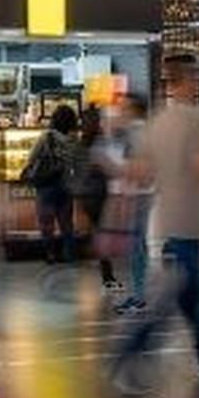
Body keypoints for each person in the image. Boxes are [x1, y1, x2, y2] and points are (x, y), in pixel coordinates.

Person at [110, 56, 199, 393]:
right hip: (191, 226)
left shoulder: (156, 121)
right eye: (197, 78)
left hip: (164, 226)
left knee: (194, 298)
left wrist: (122, 210)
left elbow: (137, 173)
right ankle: (127, 353)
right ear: (188, 80)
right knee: (172, 300)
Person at [111, 94, 153, 316]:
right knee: (139, 245)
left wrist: (124, 198)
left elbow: (132, 169)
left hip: (137, 195)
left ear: (133, 110)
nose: (120, 111)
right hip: (146, 193)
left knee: (136, 246)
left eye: (124, 108)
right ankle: (139, 293)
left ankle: (139, 297)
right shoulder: (148, 131)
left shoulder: (133, 133)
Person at [23, 105, 79, 265]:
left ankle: (50, 254)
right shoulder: (73, 138)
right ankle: (70, 255)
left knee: (46, 223)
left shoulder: (46, 137)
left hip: (46, 185)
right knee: (66, 224)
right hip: (65, 185)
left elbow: (32, 157)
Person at [76, 107, 120, 289]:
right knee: (103, 234)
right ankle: (107, 276)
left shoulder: (81, 144)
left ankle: (106, 273)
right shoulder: (100, 143)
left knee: (99, 232)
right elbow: (111, 168)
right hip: (100, 194)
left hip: (87, 195)